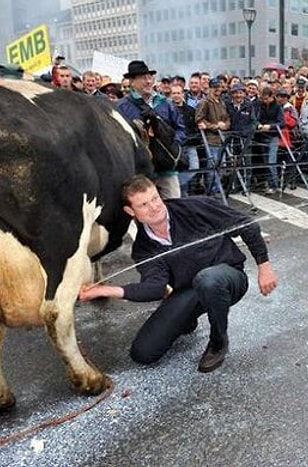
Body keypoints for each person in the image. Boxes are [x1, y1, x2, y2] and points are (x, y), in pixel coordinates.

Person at [79, 175, 278, 372]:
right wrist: (103, 291)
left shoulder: (195, 207)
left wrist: (264, 266)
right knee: (143, 352)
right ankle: (187, 319)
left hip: (228, 278)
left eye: (155, 198)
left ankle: (218, 342)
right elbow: (154, 288)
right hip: (189, 289)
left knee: (208, 279)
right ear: (130, 211)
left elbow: (247, 225)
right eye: (144, 205)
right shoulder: (143, 247)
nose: (154, 207)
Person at [117, 60, 186, 199]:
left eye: (150, 77)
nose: (148, 81)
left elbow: (180, 129)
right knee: (145, 211)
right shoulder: (121, 107)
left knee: (175, 207)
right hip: (139, 172)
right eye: (143, 78)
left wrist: (173, 144)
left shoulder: (166, 103)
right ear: (131, 81)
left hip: (167, 169)